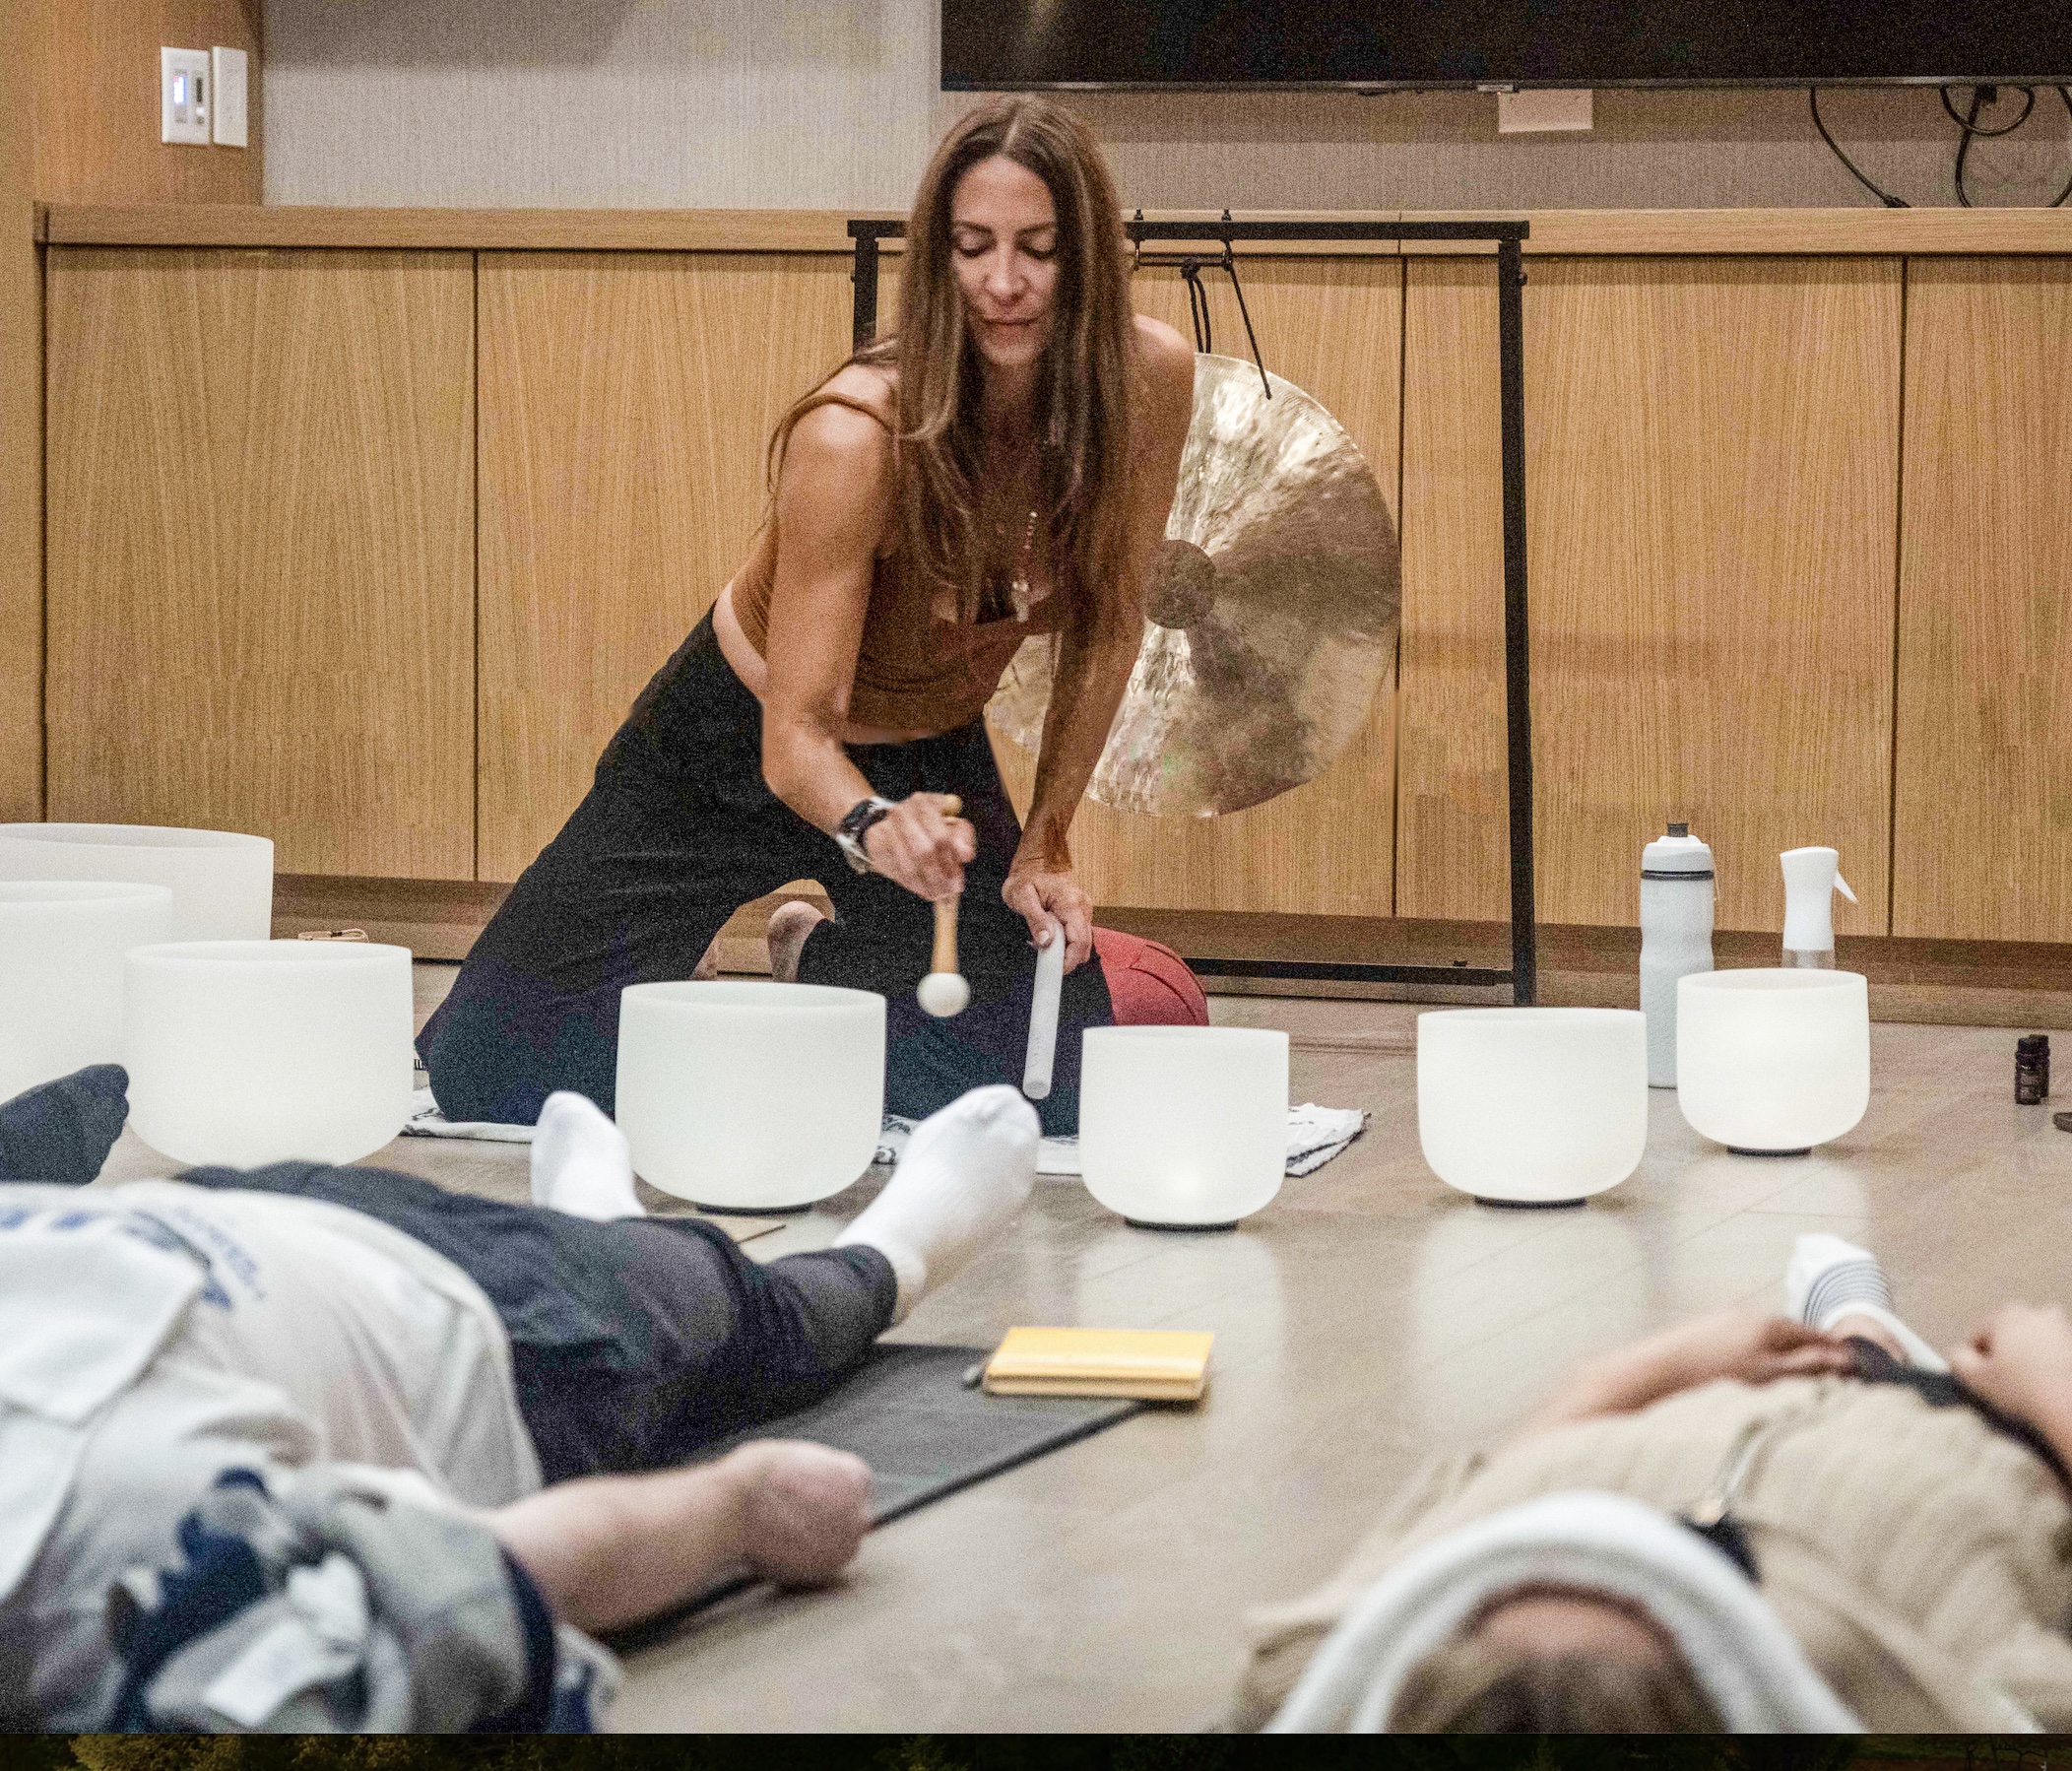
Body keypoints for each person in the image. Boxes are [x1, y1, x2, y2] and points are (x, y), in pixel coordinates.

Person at [419, 97, 1198, 1137]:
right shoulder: (854, 436)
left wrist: (1045, 842)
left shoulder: (1147, 381)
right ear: (938, 259)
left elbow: (1108, 617)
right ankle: (684, 975)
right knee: (496, 1080)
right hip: (729, 742)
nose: (1002, 283)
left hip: (928, 753)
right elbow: (798, 738)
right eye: (972, 248)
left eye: (1039, 250)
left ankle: (813, 955)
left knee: (1037, 1097)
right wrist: (871, 828)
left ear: (1091, 259)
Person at [0, 1066, 1041, 1730]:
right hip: (489, 1331)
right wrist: (740, 1507)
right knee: (734, 1313)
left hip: (209, 1211)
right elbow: (474, 1590)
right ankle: (892, 1251)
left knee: (644, 1274)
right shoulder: (96, 1567)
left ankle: (605, 1223)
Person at [1238, 1236, 2072, 1732]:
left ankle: (1855, 1328)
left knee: (1836, 1347)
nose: (1620, 1565)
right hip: (1968, 1433)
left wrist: (1634, 1372)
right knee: (1887, 1351)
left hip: (1690, 1406)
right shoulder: (1946, 1685)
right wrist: (2055, 1384)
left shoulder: (1339, 1666)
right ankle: (1866, 1331)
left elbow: (1478, 1485)